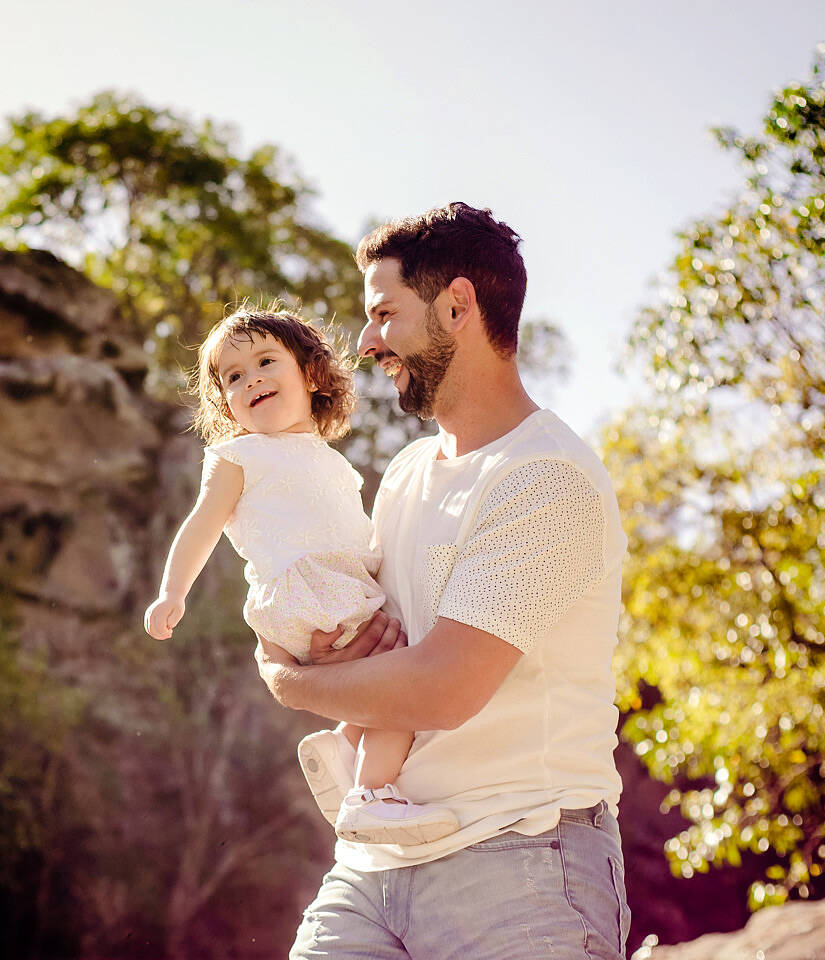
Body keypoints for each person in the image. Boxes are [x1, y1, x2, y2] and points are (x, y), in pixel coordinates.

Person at [254, 204, 632, 959]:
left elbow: (443, 689)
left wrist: (292, 686)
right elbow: (373, 650)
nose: (365, 343)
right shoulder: (405, 475)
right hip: (375, 860)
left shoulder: (545, 477)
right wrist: (329, 655)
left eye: (383, 314)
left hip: (522, 859)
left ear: (457, 306)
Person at [144, 307, 460, 844]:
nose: (252, 380)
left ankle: (343, 741)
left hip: (331, 591)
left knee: (376, 675)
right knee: (399, 684)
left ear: (312, 375)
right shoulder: (238, 455)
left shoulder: (330, 461)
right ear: (226, 403)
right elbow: (203, 523)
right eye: (234, 377)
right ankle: (372, 795)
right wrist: (173, 592)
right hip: (306, 594)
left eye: (266, 361)